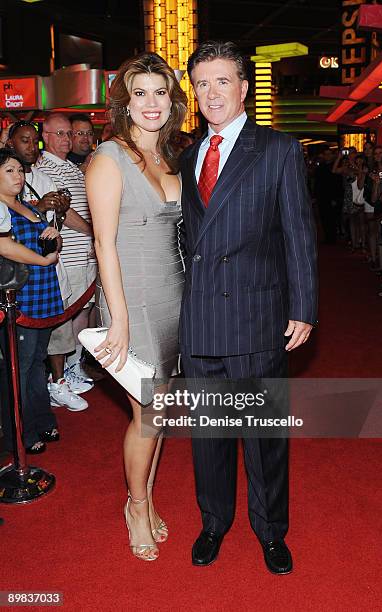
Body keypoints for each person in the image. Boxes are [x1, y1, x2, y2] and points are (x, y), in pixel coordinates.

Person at [179, 41, 318, 573]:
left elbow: (298, 234)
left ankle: (271, 530)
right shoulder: (188, 154)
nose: (211, 93)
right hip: (202, 320)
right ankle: (214, 522)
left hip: (259, 316)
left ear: (243, 88)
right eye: (202, 83)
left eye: (222, 81)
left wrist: (303, 306)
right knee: (209, 434)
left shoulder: (278, 148)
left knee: (264, 437)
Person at [86, 52, 187, 561]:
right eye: (140, 93)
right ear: (124, 102)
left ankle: (144, 493)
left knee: (162, 410)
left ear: (173, 101)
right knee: (148, 411)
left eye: (160, 92)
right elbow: (104, 244)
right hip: (133, 301)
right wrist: (118, 320)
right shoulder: (108, 156)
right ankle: (138, 505)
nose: (151, 103)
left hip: (174, 295)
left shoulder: (171, 157)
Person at [6, 119, 90, 409]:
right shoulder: (7, 184)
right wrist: (37, 209)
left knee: (51, 337)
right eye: (24, 140)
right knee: (26, 356)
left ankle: (54, 388)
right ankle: (25, 413)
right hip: (20, 281)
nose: (31, 146)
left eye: (34, 140)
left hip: (50, 272)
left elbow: (57, 221)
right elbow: (10, 234)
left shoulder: (42, 178)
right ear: (10, 145)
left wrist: (59, 218)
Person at [0, 148, 61, 454]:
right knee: (19, 367)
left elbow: (51, 244)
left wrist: (53, 237)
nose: (18, 176)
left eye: (20, 170)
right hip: (18, 297)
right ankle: (19, 433)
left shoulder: (30, 207)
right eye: (9, 170)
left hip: (44, 294)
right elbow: (7, 248)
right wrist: (43, 259)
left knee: (37, 361)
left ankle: (40, 418)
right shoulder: (1, 210)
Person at [36, 112, 96, 409]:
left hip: (84, 253)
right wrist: (92, 231)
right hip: (68, 253)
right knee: (67, 314)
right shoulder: (46, 167)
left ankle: (73, 367)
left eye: (68, 133)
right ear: (44, 136)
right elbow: (64, 212)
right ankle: (61, 375)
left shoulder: (71, 166)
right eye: (60, 133)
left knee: (82, 312)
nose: (67, 139)